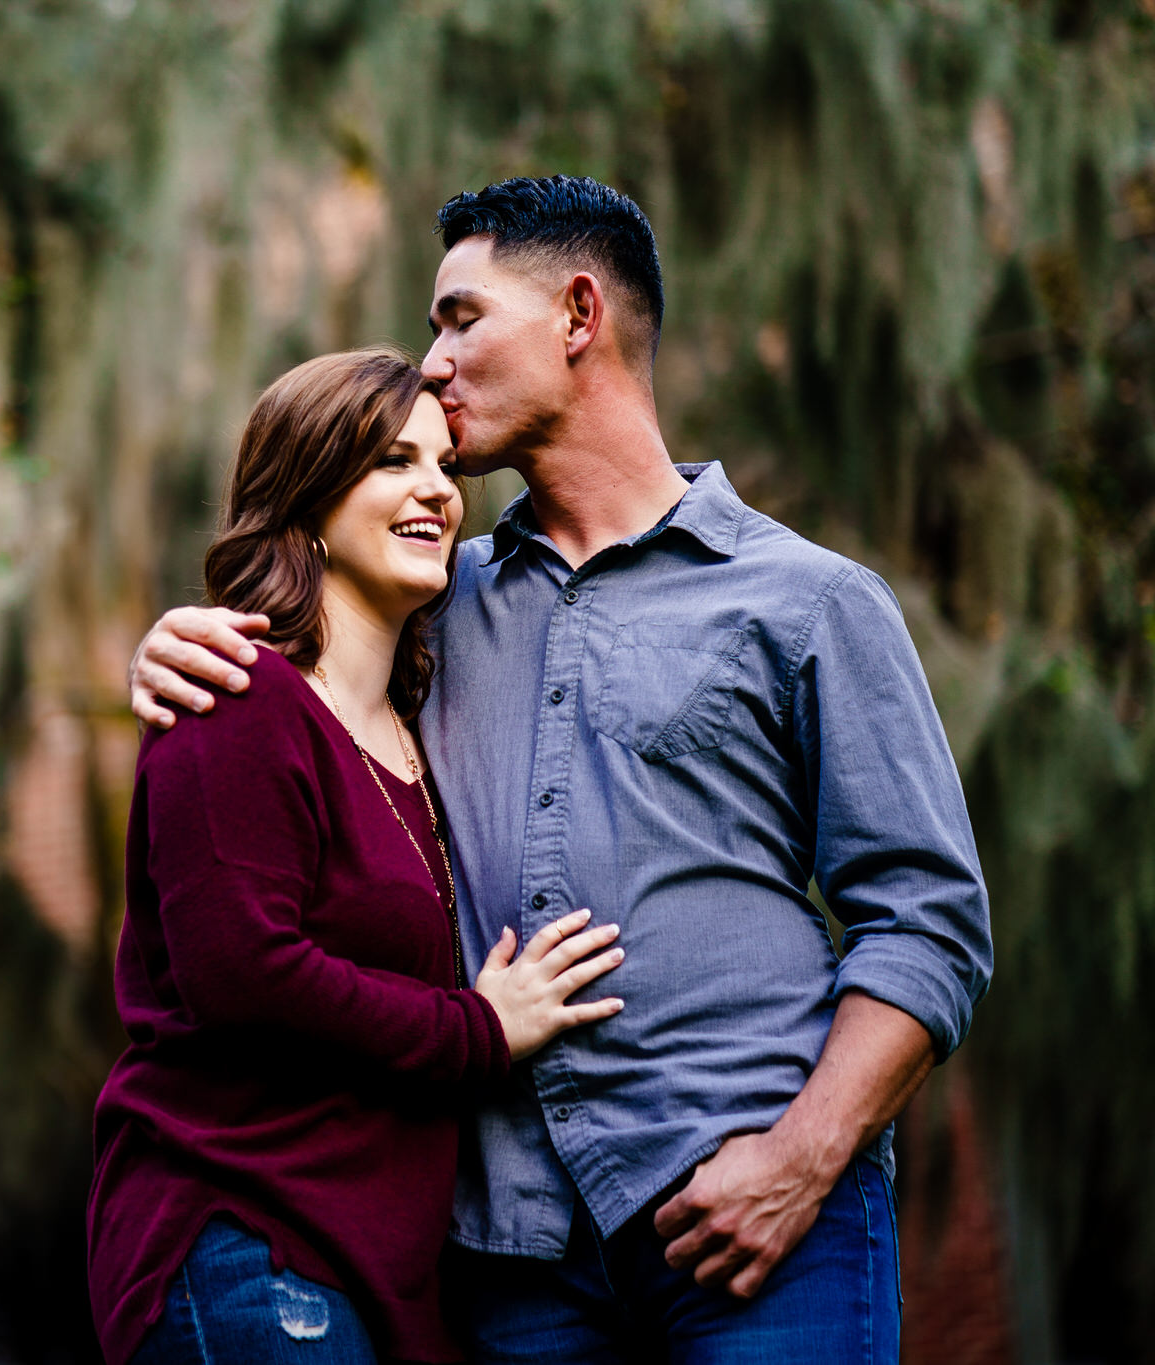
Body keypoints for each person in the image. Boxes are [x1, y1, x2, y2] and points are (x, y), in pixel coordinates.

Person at [126, 177, 993, 1363]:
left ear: (578, 314)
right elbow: (297, 706)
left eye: (460, 318)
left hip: (755, 1221)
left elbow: (927, 926)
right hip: (508, 1256)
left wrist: (798, 1163)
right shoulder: (431, 603)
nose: (431, 362)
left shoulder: (809, 603)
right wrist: (184, 638)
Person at [88, 348, 628, 1365]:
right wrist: (477, 1028)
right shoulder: (238, 698)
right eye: (388, 461)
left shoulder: (410, 727)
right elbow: (240, 972)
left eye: (440, 467)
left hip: (372, 1264)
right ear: (306, 495)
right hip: (246, 1238)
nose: (431, 488)